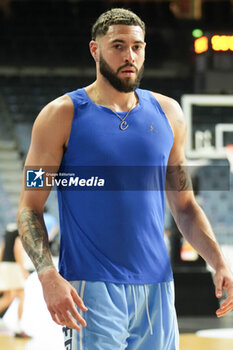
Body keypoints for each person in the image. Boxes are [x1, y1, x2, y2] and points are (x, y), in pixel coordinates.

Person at [17, 8, 233, 350]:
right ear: (95, 49)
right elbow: (29, 208)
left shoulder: (169, 114)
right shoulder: (59, 115)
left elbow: (186, 206)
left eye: (137, 46)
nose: (129, 55)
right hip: (91, 288)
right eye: (118, 46)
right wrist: (46, 273)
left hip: (157, 289)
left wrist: (218, 261)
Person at [0, 222, 31, 338]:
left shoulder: (9, 228)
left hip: (5, 265)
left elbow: (2, 248)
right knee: (21, 295)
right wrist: (22, 269)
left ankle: (19, 327)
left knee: (9, 296)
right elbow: (17, 249)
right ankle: (19, 329)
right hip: (13, 267)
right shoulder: (20, 229)